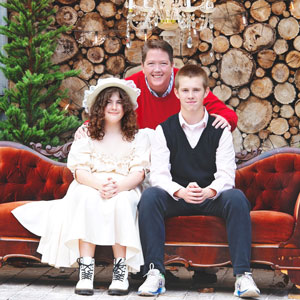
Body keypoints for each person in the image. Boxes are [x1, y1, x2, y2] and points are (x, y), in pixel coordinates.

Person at [12, 78, 150, 296]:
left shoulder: (137, 137)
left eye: (119, 102)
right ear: (99, 107)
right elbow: (80, 172)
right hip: (90, 184)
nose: (114, 107)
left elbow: (139, 172)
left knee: (123, 202)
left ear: (126, 107)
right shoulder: (87, 135)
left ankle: (120, 270)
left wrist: (118, 186)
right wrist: (99, 185)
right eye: (108, 102)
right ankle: (86, 270)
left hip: (123, 185)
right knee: (86, 199)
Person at [137, 64, 260, 298]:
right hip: (178, 198)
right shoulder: (164, 130)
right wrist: (181, 191)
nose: (191, 96)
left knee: (236, 197)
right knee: (150, 196)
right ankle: (154, 273)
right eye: (185, 90)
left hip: (209, 197)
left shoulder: (219, 129)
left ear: (206, 93)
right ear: (177, 93)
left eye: (196, 90)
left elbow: (226, 174)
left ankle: (243, 276)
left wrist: (209, 191)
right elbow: (159, 174)